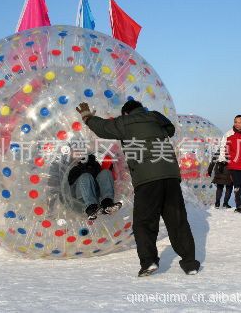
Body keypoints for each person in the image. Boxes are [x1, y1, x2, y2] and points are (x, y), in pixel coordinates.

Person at [76, 100, 200, 277]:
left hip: (147, 178)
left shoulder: (124, 123)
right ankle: (190, 264)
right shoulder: (155, 117)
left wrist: (87, 117)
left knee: (144, 222)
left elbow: (102, 127)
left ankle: (149, 261)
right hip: (170, 176)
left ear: (126, 113)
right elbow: (170, 129)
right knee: (177, 221)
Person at [68, 154, 120, 220]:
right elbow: (70, 183)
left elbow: (103, 179)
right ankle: (91, 208)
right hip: (82, 195)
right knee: (86, 176)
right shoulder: (76, 169)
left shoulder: (97, 168)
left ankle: (107, 203)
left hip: (96, 194)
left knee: (105, 172)